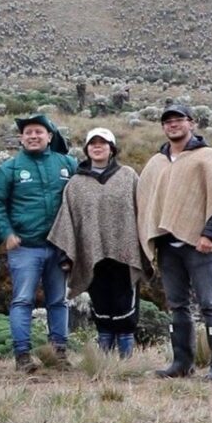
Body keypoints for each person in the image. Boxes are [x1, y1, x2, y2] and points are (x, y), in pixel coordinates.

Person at [137, 105, 212, 381]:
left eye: (178, 120)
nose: (173, 125)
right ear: (163, 128)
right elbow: (148, 203)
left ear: (191, 123)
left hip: (200, 245)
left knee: (210, 304)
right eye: (167, 122)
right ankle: (182, 362)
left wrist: (209, 234)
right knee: (177, 305)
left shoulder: (207, 157)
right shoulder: (156, 163)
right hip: (167, 246)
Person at [0, 114, 77, 373]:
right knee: (22, 300)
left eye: (39, 131)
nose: (34, 136)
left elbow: (78, 201)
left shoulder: (67, 164)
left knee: (58, 300)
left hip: (59, 246)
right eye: (28, 132)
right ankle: (22, 355)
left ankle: (59, 352)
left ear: (50, 136)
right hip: (25, 247)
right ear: (21, 138)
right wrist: (6, 233)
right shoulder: (10, 168)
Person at [49, 128, 146, 358]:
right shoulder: (77, 183)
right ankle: (103, 358)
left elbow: (143, 210)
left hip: (125, 252)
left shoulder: (128, 176)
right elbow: (67, 219)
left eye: (103, 143)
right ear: (87, 149)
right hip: (91, 253)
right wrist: (66, 256)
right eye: (93, 143)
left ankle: (125, 360)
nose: (98, 147)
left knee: (125, 305)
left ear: (112, 149)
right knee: (100, 304)